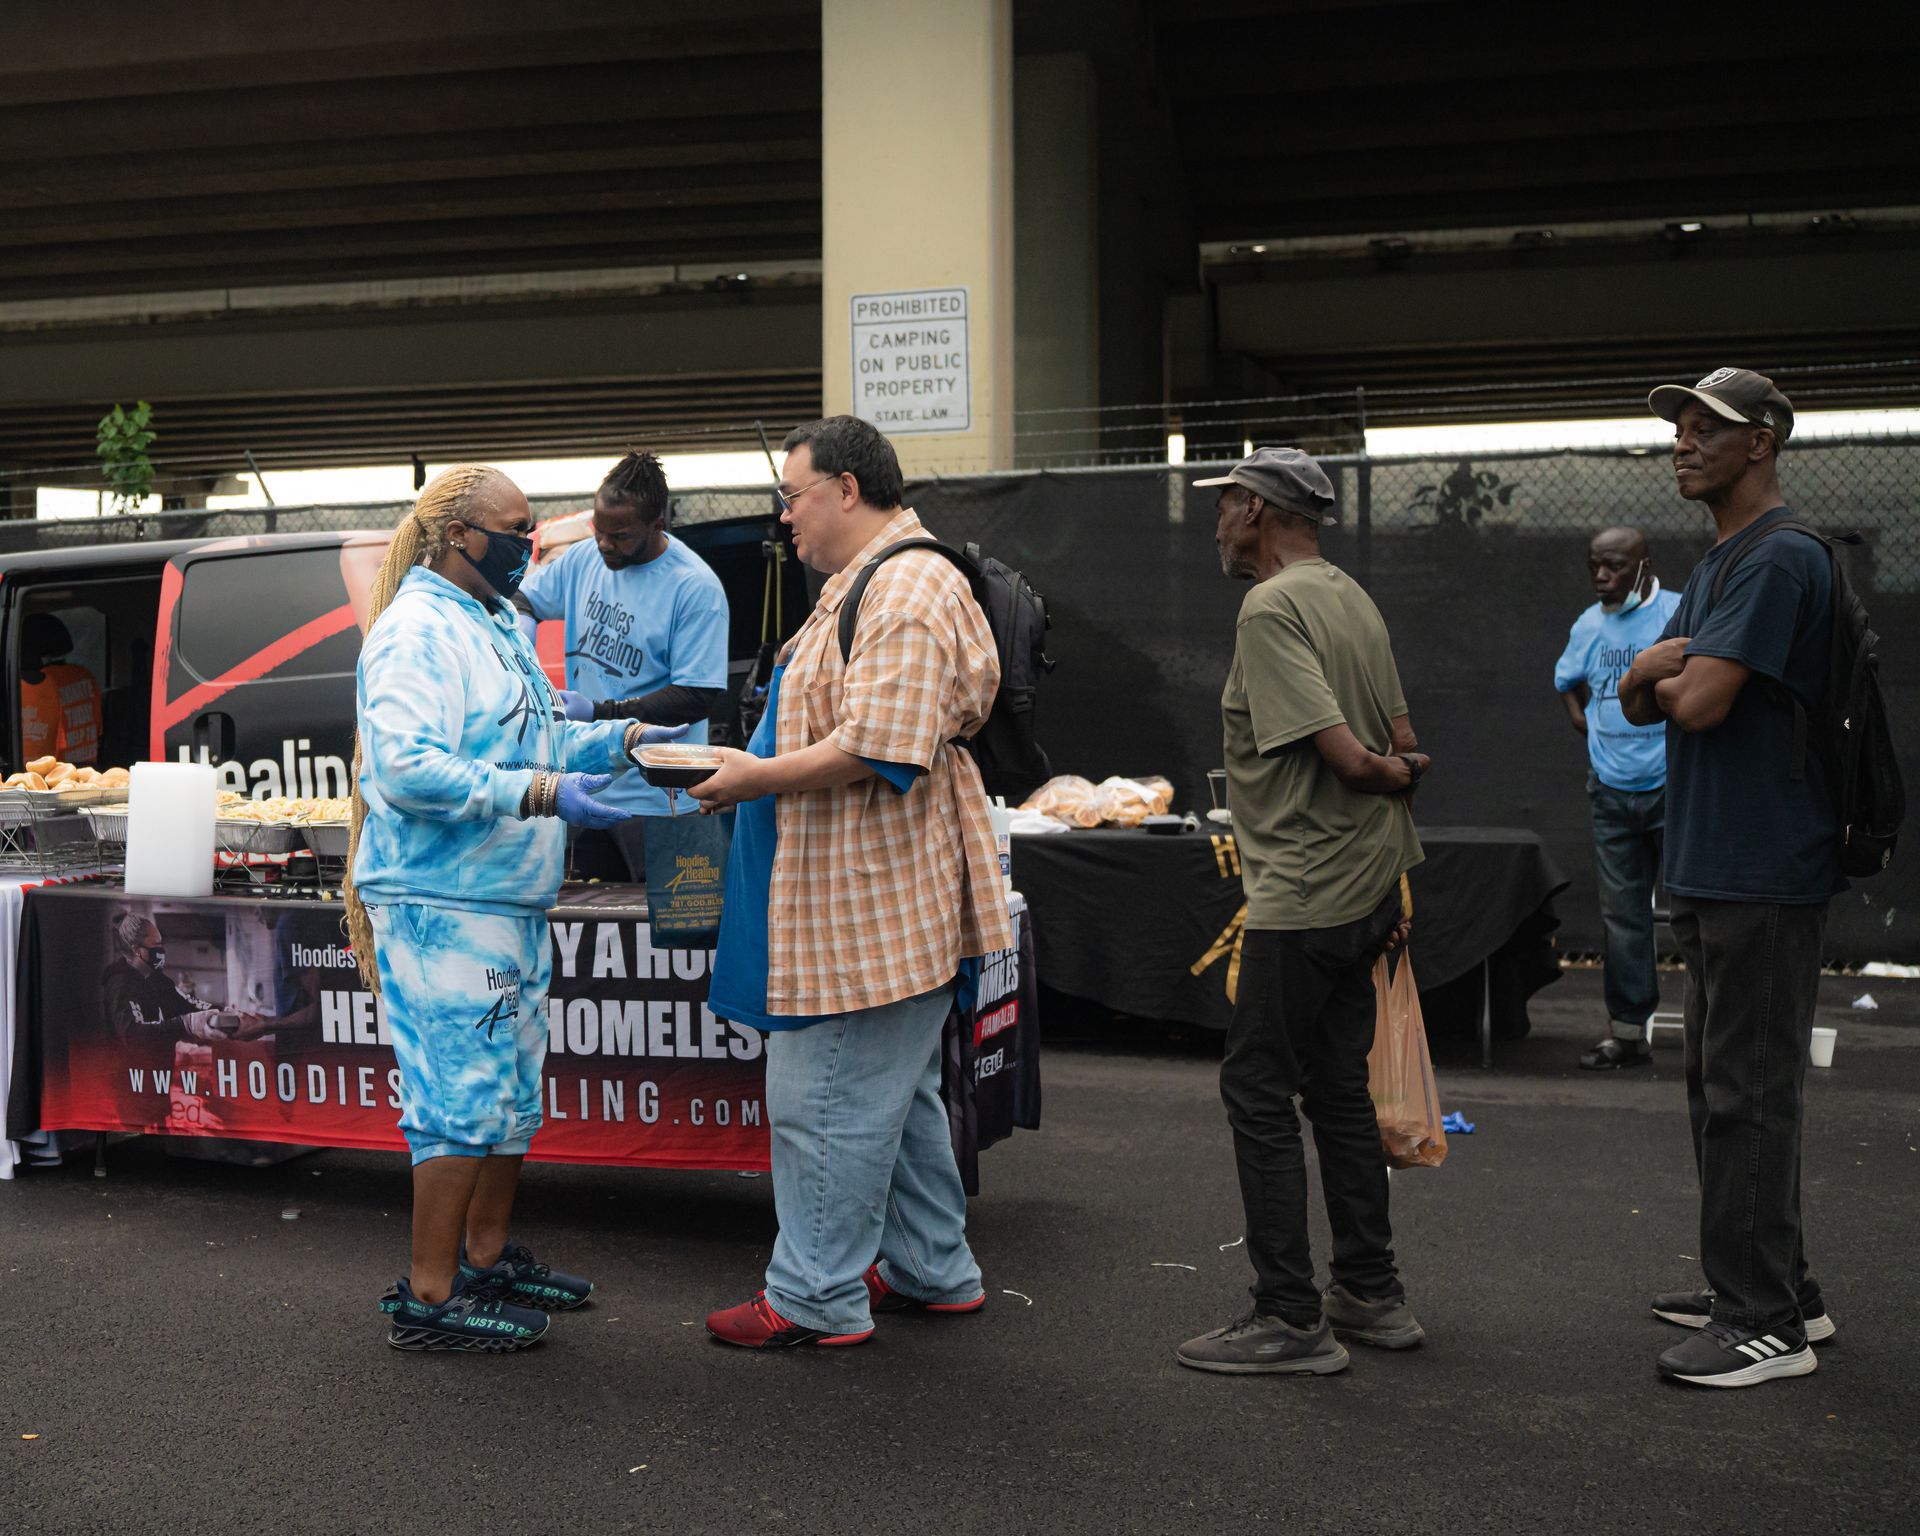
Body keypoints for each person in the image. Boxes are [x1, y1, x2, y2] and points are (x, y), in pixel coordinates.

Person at [344, 463, 682, 1354]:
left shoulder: (493, 620)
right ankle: (427, 1298)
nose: (529, 547)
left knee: (507, 1093)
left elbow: (540, 730)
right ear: (460, 536)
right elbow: (406, 770)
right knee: (457, 1099)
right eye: (515, 530)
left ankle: (485, 1257)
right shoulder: (416, 631)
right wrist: (544, 794)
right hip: (440, 900)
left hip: (507, 897)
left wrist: (630, 738)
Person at [688, 415, 1010, 1349]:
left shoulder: (906, 587)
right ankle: (932, 1269)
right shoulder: (869, 581)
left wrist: (750, 776)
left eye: (791, 496)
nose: (783, 517)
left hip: (869, 897)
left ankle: (816, 1297)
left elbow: (881, 744)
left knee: (820, 1097)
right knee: (894, 1098)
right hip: (864, 890)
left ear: (847, 489)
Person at [1175, 446, 1430, 1378]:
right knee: (1336, 1090)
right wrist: (1397, 777)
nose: (1215, 521)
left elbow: (1357, 759)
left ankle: (1289, 1314)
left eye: (1224, 504)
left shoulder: (1271, 607)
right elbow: (1403, 742)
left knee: (1256, 1089)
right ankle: (1370, 1291)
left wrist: (1383, 772)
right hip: (1365, 883)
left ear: (1256, 508)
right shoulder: (1351, 597)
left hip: (1304, 894)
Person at [1620, 367, 1839, 1388]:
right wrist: (1650, 676)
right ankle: (1777, 1287)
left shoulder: (1778, 558)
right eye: (1678, 427)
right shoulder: (1720, 561)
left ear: (1764, 444)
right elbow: (1654, 699)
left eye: (1709, 428)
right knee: (1722, 1087)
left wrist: (1643, 672)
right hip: (1716, 863)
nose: (1683, 441)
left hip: (1763, 867)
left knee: (1748, 1092)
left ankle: (1765, 1325)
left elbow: (1695, 701)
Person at [514, 452, 729, 880]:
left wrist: (600, 712)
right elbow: (525, 597)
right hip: (585, 790)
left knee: (669, 940)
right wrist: (523, 627)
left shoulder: (694, 587)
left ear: (657, 525)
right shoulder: (583, 560)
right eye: (599, 531)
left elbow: (696, 697)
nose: (606, 544)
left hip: (660, 802)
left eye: (621, 535)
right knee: (590, 930)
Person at [1553, 527, 1682, 1069]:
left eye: (1614, 567)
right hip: (1609, 789)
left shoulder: (1675, 614)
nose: (1602, 577)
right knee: (1623, 916)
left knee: (1698, 911)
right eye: (1594, 567)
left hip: (1671, 786)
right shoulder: (1589, 623)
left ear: (1643, 566)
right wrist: (1584, 720)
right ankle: (1629, 1036)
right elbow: (1566, 681)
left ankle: (1717, 1037)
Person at [19, 613, 102, 768]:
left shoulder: (38, 683)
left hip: (50, 779)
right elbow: (99, 730)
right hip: (88, 775)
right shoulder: (86, 676)